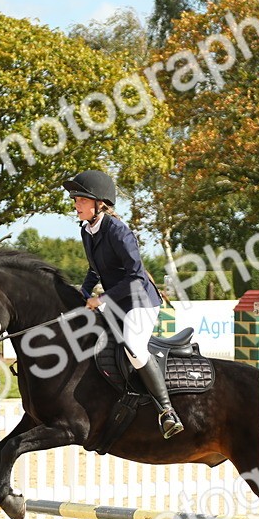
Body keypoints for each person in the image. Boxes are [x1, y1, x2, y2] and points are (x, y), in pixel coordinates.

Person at [63, 169, 183, 439]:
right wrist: (81, 292)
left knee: (133, 345)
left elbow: (136, 277)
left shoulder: (118, 232)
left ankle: (167, 411)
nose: (76, 204)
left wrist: (102, 298)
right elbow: (95, 270)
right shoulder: (87, 231)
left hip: (140, 300)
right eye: (75, 199)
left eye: (81, 199)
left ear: (99, 203)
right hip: (118, 300)